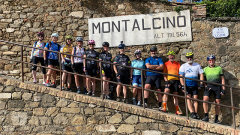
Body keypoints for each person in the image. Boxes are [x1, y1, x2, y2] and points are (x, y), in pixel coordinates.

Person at [179, 52, 204, 119]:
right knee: (188, 99)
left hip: (195, 85)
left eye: (191, 57)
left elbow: (201, 74)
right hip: (187, 84)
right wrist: (182, 85)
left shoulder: (197, 65)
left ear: (193, 57)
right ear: (186, 58)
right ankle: (192, 113)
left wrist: (201, 83)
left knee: (195, 99)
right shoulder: (183, 66)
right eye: (188, 57)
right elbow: (181, 76)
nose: (189, 58)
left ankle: (195, 113)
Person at [202, 55, 225, 124]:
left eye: (212, 60)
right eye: (210, 60)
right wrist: (205, 86)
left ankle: (216, 118)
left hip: (217, 86)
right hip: (209, 86)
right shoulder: (205, 69)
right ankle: (206, 116)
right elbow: (203, 79)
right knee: (205, 99)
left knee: (217, 102)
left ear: (214, 60)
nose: (211, 61)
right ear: (208, 61)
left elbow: (222, 79)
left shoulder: (219, 68)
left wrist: (223, 88)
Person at [144, 46, 164, 111]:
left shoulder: (159, 59)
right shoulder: (148, 59)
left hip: (157, 76)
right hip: (149, 76)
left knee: (159, 90)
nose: (153, 52)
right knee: (146, 87)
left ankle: (160, 106)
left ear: (156, 51)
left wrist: (151, 67)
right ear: (150, 52)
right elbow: (148, 66)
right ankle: (145, 103)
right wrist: (156, 66)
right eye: (152, 51)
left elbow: (162, 67)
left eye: (154, 51)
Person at [162, 51, 181, 115]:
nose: (171, 56)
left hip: (176, 80)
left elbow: (180, 74)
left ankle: (177, 111)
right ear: (168, 56)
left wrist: (180, 82)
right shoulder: (166, 64)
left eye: (172, 55)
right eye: (170, 55)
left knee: (175, 95)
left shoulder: (177, 63)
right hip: (169, 80)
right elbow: (164, 74)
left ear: (174, 56)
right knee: (166, 91)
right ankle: (164, 107)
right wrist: (166, 81)